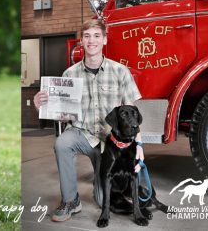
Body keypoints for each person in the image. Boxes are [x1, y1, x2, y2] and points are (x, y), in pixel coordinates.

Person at [33, 19, 144, 222]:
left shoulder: (120, 71)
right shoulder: (69, 74)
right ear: (81, 41)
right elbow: (61, 112)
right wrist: (42, 104)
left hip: (110, 142)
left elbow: (133, 113)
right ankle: (70, 201)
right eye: (86, 36)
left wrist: (139, 146)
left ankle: (105, 189)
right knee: (62, 143)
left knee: (104, 201)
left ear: (104, 40)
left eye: (96, 36)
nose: (91, 41)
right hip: (82, 134)